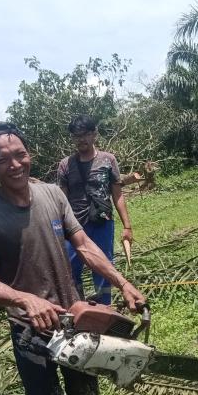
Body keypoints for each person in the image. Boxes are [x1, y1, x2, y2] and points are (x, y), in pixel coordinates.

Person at [0, 121, 146, 395]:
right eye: (3, 159)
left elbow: (83, 244)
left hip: (75, 325)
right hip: (31, 332)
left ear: (29, 154)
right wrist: (24, 299)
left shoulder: (52, 195)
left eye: (20, 154)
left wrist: (123, 282)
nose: (15, 164)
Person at [57, 115, 133, 305]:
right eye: (76, 136)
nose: (81, 139)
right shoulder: (65, 165)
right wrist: (57, 228)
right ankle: (78, 307)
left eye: (85, 134)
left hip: (102, 223)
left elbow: (118, 194)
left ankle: (104, 308)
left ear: (94, 135)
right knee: (70, 269)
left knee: (104, 269)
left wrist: (127, 226)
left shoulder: (108, 160)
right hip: (74, 227)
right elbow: (61, 200)